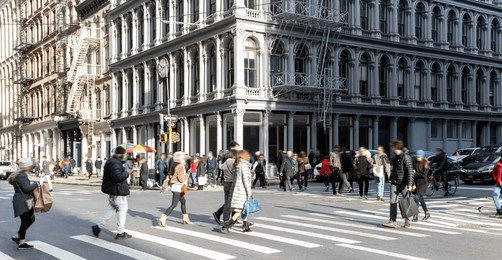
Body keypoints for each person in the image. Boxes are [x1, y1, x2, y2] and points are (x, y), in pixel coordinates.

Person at [92, 146, 131, 239]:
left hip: (115, 190)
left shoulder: (114, 162)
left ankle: (99, 226)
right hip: (117, 190)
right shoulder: (115, 163)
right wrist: (127, 172)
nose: (126, 156)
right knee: (122, 209)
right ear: (121, 154)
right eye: (125, 154)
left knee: (115, 209)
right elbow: (117, 177)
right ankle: (120, 232)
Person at [8, 158, 40, 249]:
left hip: (22, 200)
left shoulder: (20, 174)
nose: (31, 168)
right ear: (26, 167)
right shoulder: (21, 175)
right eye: (30, 166)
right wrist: (37, 183)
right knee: (25, 221)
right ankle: (21, 243)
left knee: (31, 219)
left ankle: (18, 236)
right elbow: (27, 188)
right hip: (22, 202)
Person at [383, 140, 415, 229]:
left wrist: (410, 184)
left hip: (404, 183)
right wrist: (391, 178)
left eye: (393, 147)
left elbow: (410, 172)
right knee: (393, 201)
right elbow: (395, 169)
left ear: (397, 147)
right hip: (395, 182)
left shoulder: (406, 157)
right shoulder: (395, 157)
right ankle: (392, 220)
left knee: (406, 201)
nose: (392, 149)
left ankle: (407, 221)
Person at [158, 151, 192, 227]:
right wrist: (187, 175)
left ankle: (185, 218)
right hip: (178, 186)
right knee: (174, 204)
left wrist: (165, 185)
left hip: (174, 186)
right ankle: (163, 217)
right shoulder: (180, 166)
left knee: (183, 201)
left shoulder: (174, 164)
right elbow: (181, 179)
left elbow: (169, 175)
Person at [223, 150, 253, 233]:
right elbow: (246, 181)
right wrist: (249, 192)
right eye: (247, 155)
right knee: (241, 210)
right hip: (242, 190)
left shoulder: (238, 165)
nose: (248, 157)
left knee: (244, 209)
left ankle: (245, 225)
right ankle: (228, 224)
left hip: (236, 189)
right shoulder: (244, 166)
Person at [213, 150, 238, 226]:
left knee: (227, 203)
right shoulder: (233, 161)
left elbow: (221, 168)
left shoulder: (224, 163)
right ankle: (233, 219)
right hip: (232, 183)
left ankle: (225, 221)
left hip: (226, 183)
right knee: (234, 203)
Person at [412, 150, 430, 222]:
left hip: (423, 183)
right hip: (416, 183)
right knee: (420, 198)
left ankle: (415, 215)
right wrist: (412, 184)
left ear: (422, 157)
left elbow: (423, 175)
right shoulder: (414, 162)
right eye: (417, 157)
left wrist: (415, 173)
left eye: (419, 157)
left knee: (416, 197)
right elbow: (411, 174)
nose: (418, 158)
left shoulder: (425, 164)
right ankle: (427, 212)